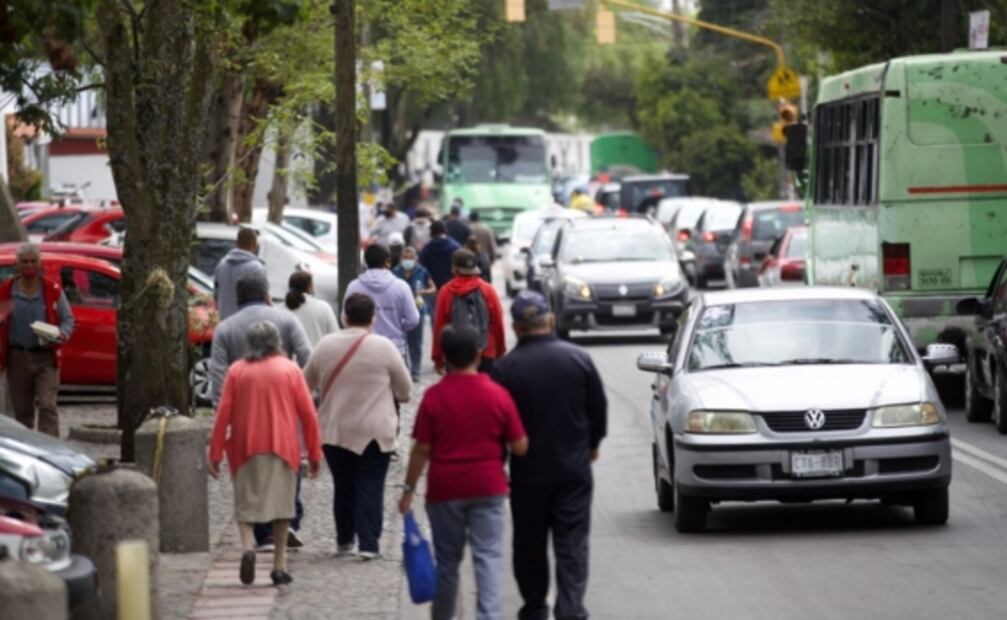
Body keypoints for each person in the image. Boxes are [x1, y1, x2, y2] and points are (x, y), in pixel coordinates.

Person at [491, 290, 607, 620]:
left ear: (516, 327)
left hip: (528, 473)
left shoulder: (505, 369)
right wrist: (593, 444)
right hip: (573, 469)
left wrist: (500, 463)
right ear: (550, 320)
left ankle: (534, 607)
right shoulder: (578, 358)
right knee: (571, 543)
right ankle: (571, 609)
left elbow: (497, 425)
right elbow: (597, 408)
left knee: (529, 544)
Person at [399, 325, 528, 620]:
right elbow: (519, 446)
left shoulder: (433, 397)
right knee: (488, 558)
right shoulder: (497, 395)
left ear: (444, 357)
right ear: (479, 353)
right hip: (489, 486)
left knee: (446, 563)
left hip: (445, 490)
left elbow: (421, 449)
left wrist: (408, 491)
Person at [209, 322, 323, 586]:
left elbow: (222, 414)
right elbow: (308, 415)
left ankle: (248, 547)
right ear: (277, 343)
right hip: (283, 447)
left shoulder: (237, 371)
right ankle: (279, 566)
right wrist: (315, 454)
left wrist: (215, 453)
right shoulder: (290, 370)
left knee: (246, 503)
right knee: (283, 508)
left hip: (244, 447)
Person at [303, 293, 412, 559]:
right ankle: (369, 544)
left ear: (344, 317)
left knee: (343, 485)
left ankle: (344, 540)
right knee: (371, 485)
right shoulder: (384, 347)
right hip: (375, 430)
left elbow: (305, 384)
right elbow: (405, 390)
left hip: (335, 429)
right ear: (372, 318)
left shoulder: (325, 345)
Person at [210, 271, 313, 549]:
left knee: (251, 477)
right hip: (283, 411)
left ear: (236, 297)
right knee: (286, 466)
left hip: (245, 416)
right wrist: (298, 386)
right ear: (267, 294)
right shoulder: (287, 319)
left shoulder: (226, 329)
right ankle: (289, 521)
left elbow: (218, 378)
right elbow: (307, 356)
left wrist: (221, 432)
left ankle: (262, 533)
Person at [0, 243, 74, 437]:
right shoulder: (7, 291)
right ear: (17, 264)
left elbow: (68, 319)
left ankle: (50, 449)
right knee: (22, 413)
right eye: (24, 262)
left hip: (46, 357)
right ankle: (25, 452)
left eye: (33, 261)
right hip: (17, 358)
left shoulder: (51, 290)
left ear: (40, 264)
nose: (29, 266)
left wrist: (61, 334)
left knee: (47, 405)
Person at [344, 244, 420, 367]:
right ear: (387, 262)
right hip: (394, 349)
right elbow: (413, 319)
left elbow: (345, 318)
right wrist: (399, 327)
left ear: (366, 262)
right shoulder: (401, 287)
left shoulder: (353, 287)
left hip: (362, 350)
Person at [431, 250, 505, 375]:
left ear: (454, 268)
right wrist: (500, 352)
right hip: (486, 351)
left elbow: (439, 327)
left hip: (456, 356)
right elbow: (498, 322)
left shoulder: (446, 291)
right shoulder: (487, 289)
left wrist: (438, 358)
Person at [393, 247, 436, 382]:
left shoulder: (422, 271)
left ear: (415, 258)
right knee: (400, 341)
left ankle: (416, 370)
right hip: (399, 312)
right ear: (401, 259)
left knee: (416, 342)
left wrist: (423, 292)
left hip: (418, 309)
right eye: (405, 258)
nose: (408, 261)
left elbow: (433, 288)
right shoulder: (395, 272)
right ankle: (403, 369)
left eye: (410, 258)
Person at [214, 227, 266, 320]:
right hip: (247, 326)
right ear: (255, 245)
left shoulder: (222, 264)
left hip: (225, 323)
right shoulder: (257, 268)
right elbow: (262, 301)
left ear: (236, 243)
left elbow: (216, 295)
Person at [284, 270, 338, 347]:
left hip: (287, 358)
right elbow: (335, 336)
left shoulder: (279, 310)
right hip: (318, 356)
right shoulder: (323, 307)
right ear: (310, 287)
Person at [419, 220, 462, 290]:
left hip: (433, 288)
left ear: (431, 232)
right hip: (453, 287)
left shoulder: (427, 249)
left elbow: (422, 269)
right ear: (445, 230)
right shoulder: (456, 247)